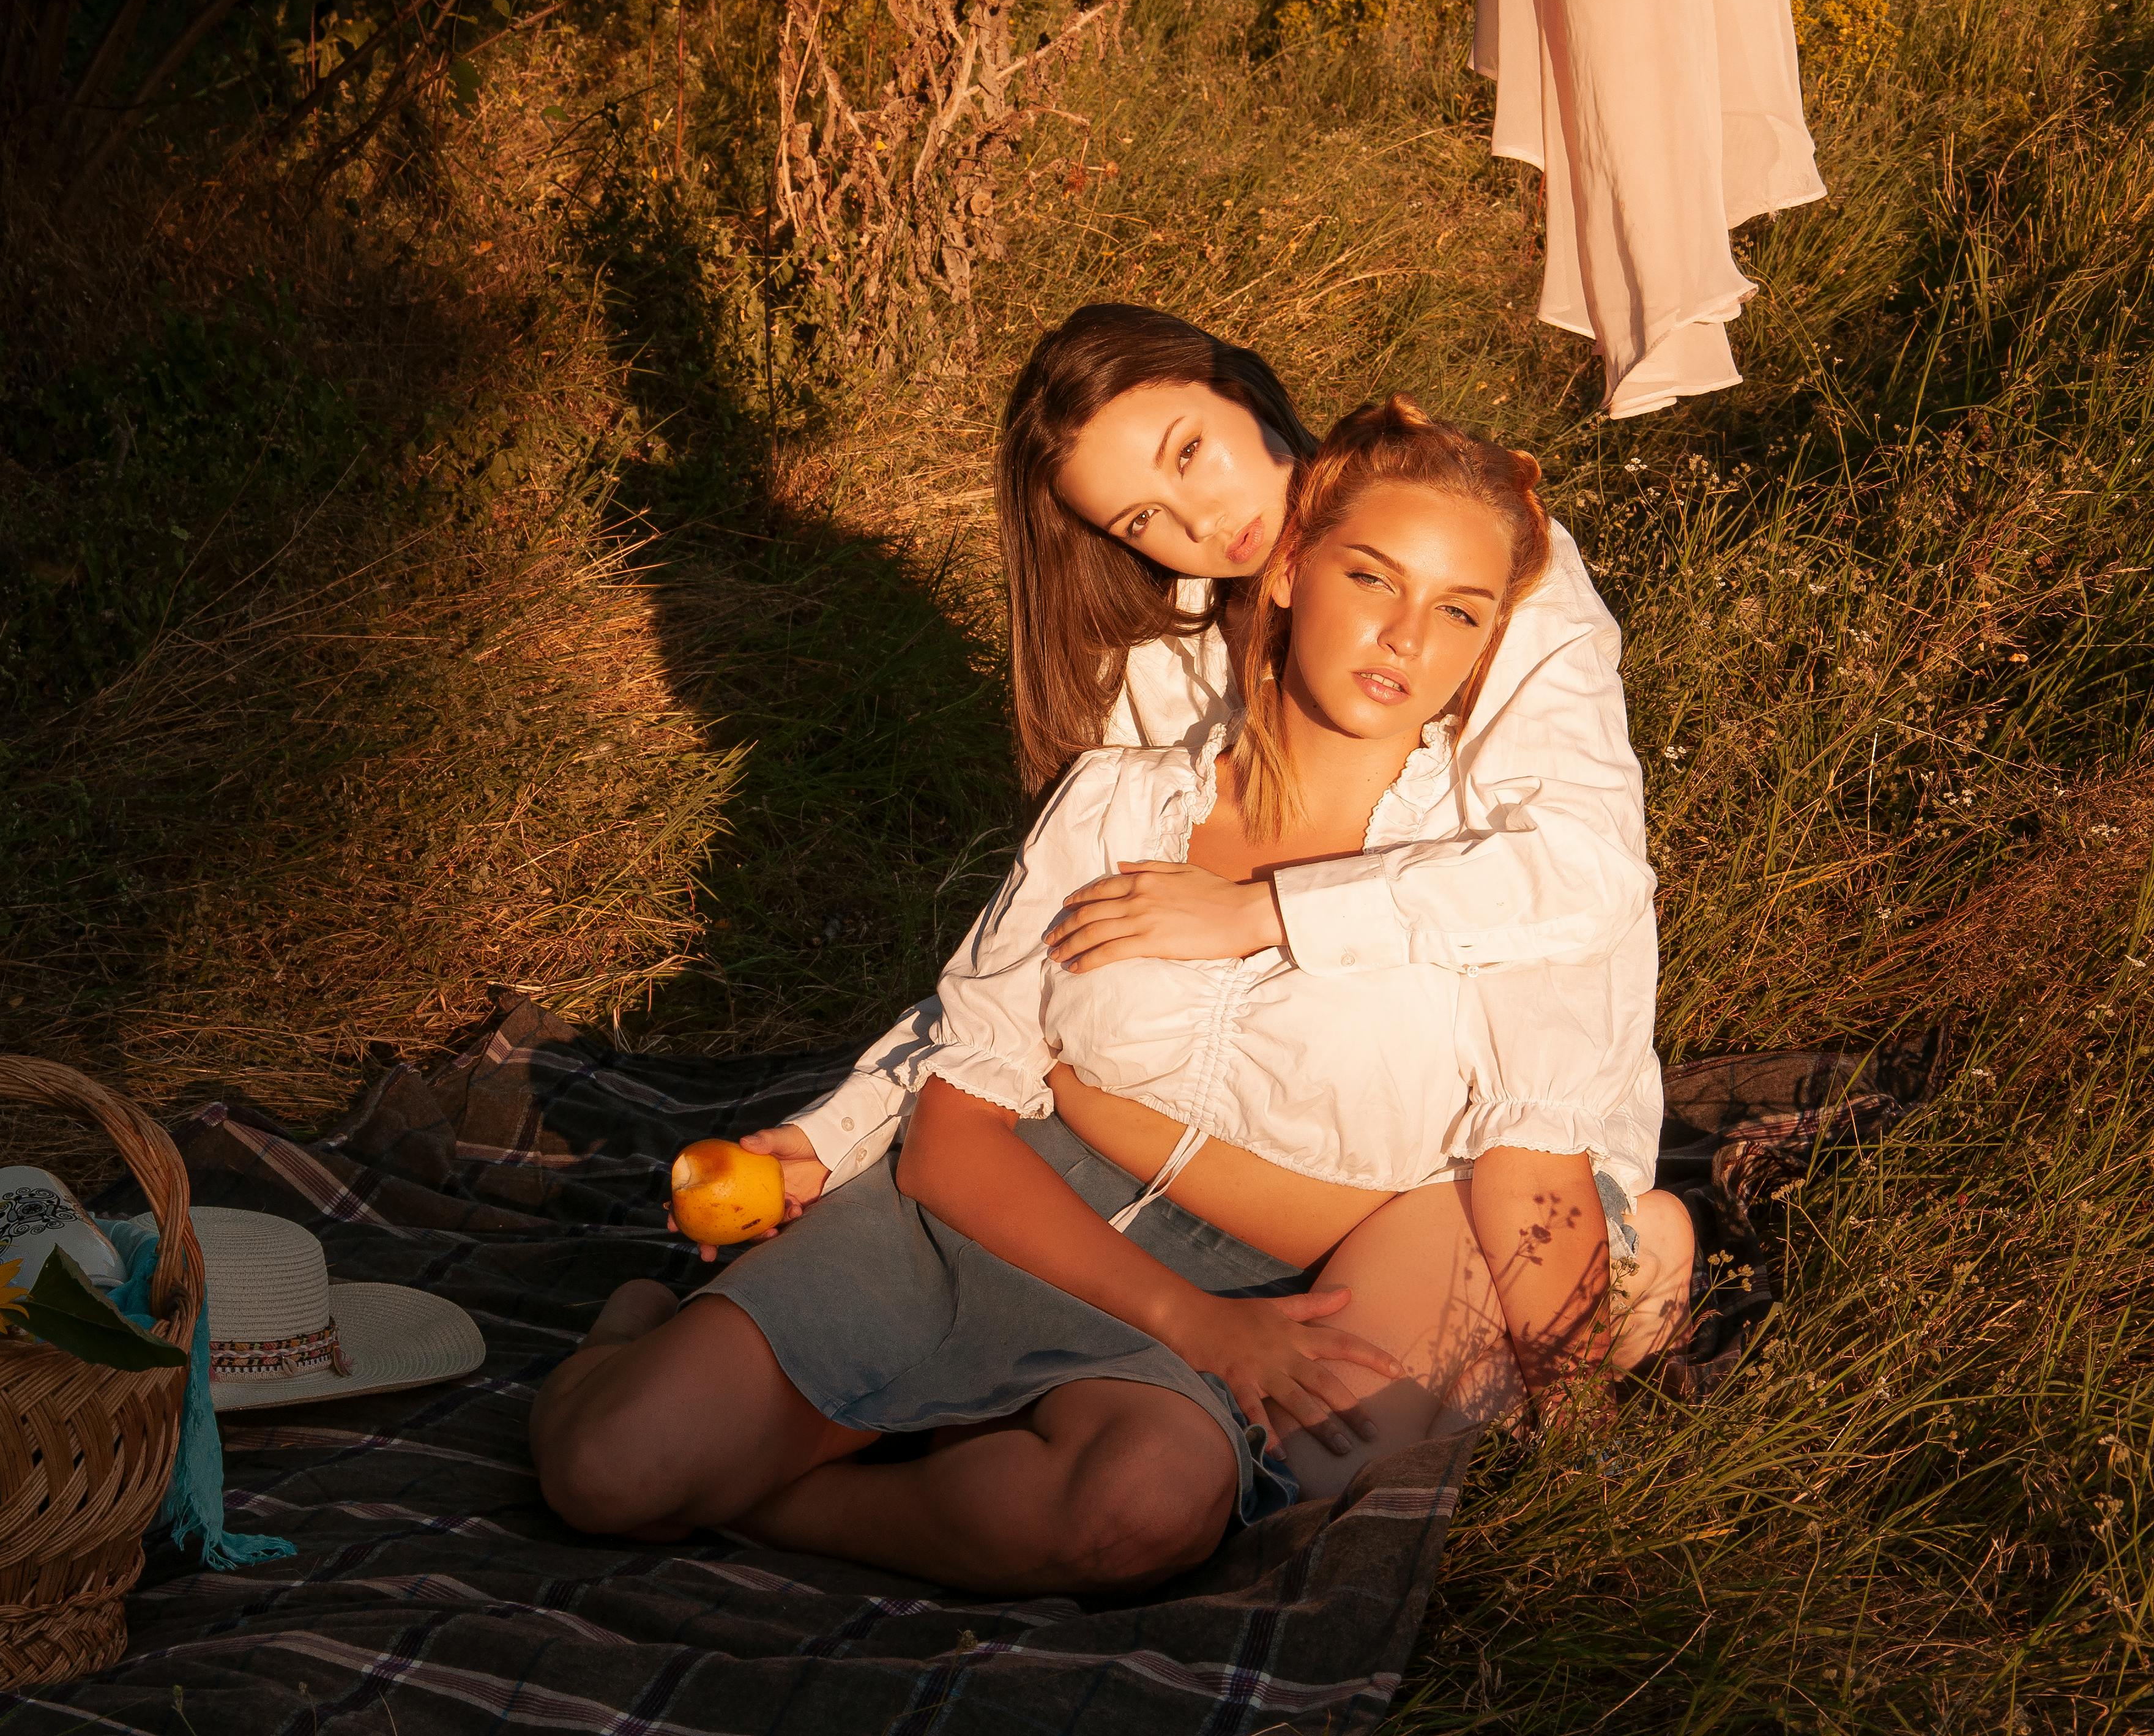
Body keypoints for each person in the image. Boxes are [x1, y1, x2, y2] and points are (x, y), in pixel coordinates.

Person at [529, 400, 1692, 1595]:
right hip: (1000, 1215)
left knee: (1134, 1509)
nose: (1405, 636)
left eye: (1458, 611)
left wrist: (1581, 1435)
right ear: (1288, 569)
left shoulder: (1496, 874)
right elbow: (953, 1122)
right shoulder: (1117, 803)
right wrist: (1181, 1314)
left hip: (1256, 1284)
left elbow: (1530, 1163)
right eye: (1370, 576)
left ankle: (788, 1494)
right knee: (604, 1472)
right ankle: (639, 1340)